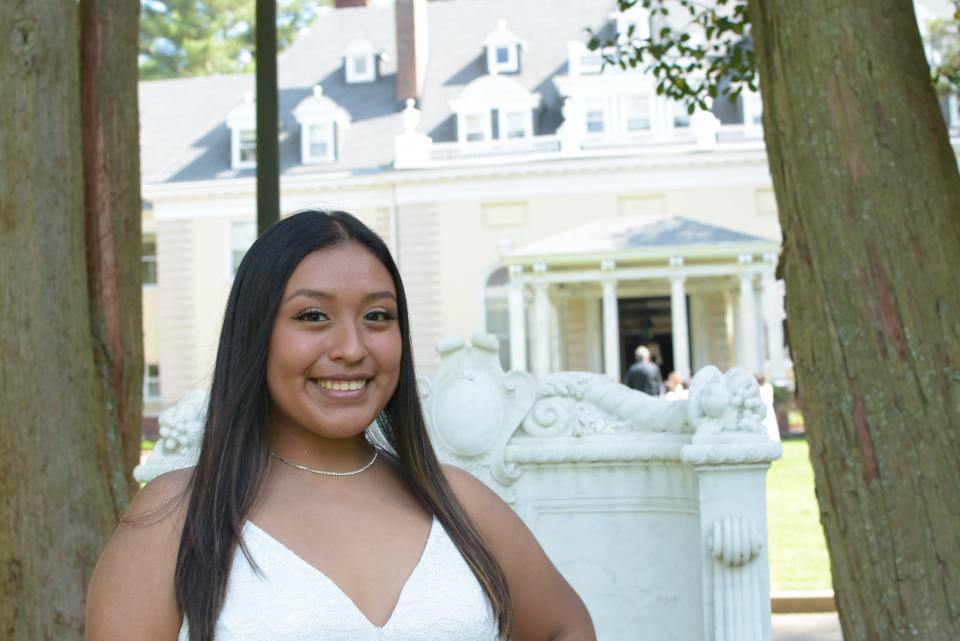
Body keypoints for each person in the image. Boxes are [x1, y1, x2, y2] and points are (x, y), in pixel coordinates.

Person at [86, 211, 595, 641]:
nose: (352, 348)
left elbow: (565, 629)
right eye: (312, 316)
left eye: (378, 316)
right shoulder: (178, 517)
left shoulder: (459, 503)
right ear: (256, 333)